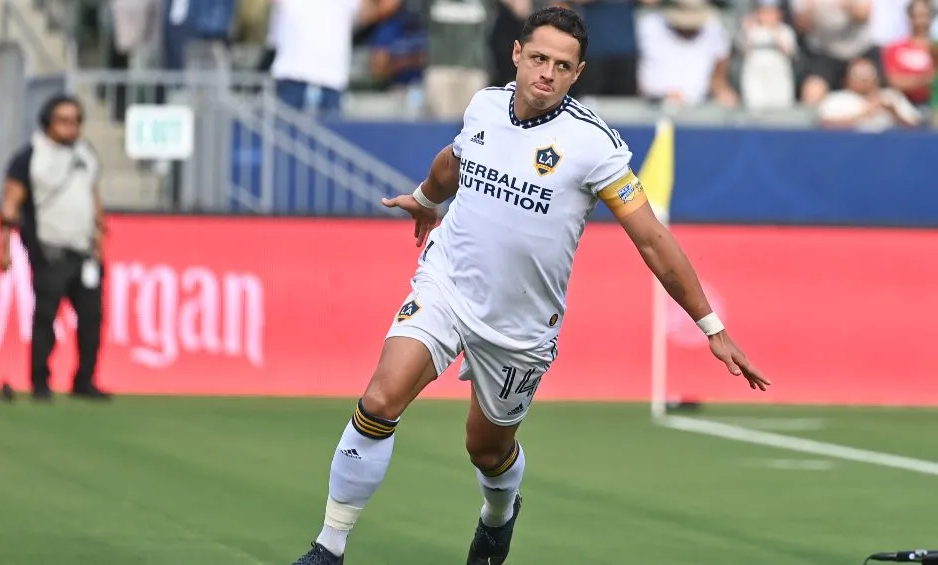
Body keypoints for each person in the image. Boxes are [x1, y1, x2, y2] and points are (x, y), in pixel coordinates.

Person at [291, 7, 770, 565]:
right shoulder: (485, 106)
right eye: (538, 58)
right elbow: (454, 161)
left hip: (520, 324)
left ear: (577, 72)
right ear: (516, 54)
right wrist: (425, 199)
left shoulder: (596, 145)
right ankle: (329, 547)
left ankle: (499, 515)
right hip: (447, 284)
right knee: (379, 400)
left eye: (561, 65)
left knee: (485, 448)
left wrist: (711, 326)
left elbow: (653, 242)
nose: (546, 72)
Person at [0, 94, 111, 402]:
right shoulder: (31, 156)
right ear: (48, 122)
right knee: (46, 318)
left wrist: (99, 241)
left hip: (84, 251)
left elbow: (93, 198)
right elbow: (11, 202)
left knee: (92, 319)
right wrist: (5, 247)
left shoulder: (85, 154)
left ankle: (85, 380)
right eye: (63, 120)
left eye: (76, 121)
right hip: (50, 251)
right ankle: (40, 382)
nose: (71, 127)